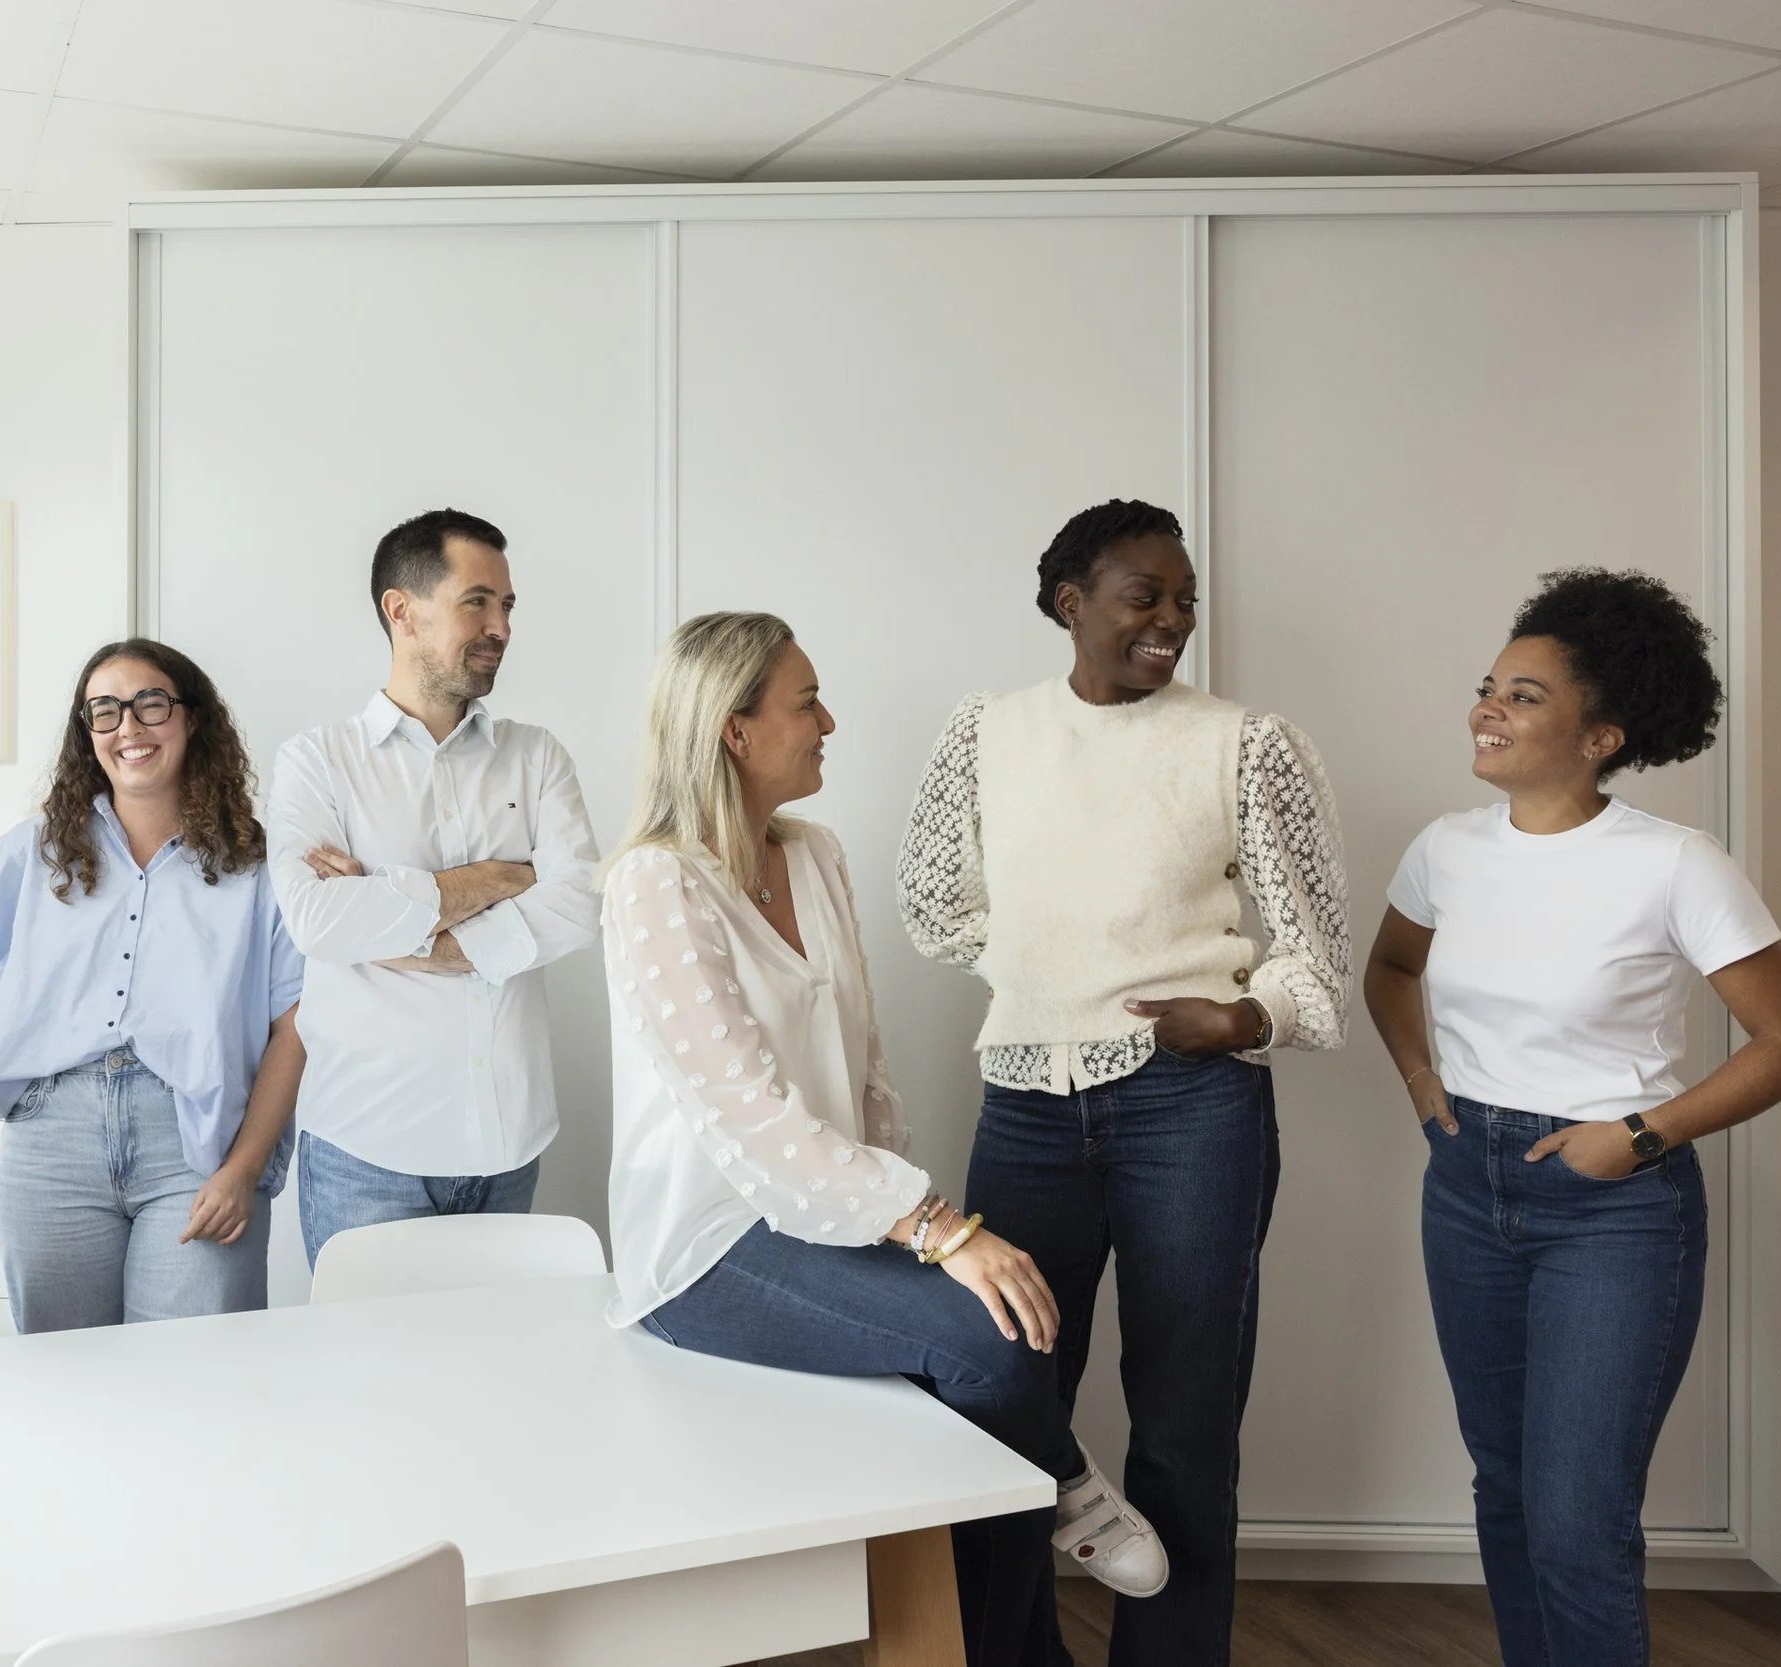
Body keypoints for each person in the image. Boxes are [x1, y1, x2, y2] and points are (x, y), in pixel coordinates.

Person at [605, 610, 1167, 1663]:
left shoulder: (813, 854)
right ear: (732, 728)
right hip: (707, 1244)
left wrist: (908, 1233)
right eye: (803, 699)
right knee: (996, 1337)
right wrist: (936, 1230)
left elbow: (864, 1073)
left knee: (1007, 1309)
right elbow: (748, 1113)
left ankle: (1013, 1599)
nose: (829, 719)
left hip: (826, 1215)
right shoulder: (656, 882)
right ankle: (1055, 1523)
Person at [899, 499, 1352, 1665]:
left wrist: (1243, 1014)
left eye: (1185, 598)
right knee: (1002, 1397)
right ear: (1071, 603)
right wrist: (1045, 975)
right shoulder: (986, 731)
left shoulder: (1244, 741)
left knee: (1185, 1421)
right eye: (1146, 595)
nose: (1173, 620)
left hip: (1189, 1103)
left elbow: (1318, 948)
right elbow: (932, 903)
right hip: (1025, 1102)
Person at [1365, 570, 1781, 1667]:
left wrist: (1643, 1134)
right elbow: (1389, 967)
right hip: (1465, 1184)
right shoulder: (1445, 847)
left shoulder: (1673, 863)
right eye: (1489, 686)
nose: (1488, 707)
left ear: (1601, 732)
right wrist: (1425, 1083)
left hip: (1613, 1206)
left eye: (1524, 695)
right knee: (1509, 1484)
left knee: (1578, 1517)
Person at [0, 639, 306, 1330]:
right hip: (52, 1140)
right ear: (86, 732)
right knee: (64, 1387)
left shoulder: (257, 865)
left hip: (194, 1144)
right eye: (105, 711)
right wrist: (9, 1038)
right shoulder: (38, 850)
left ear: (193, 718)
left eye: (151, 703)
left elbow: (293, 1028)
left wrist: (243, 1170)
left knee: (195, 1381)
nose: (129, 727)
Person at [265, 508, 599, 1268]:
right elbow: (320, 919)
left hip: (508, 1142)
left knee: (494, 1381)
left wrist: (412, 928)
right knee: (372, 1383)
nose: (502, 626)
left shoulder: (536, 756)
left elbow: (579, 902)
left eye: (508, 605)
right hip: (366, 1149)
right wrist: (502, 878)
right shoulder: (317, 762)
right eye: (477, 601)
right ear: (402, 610)